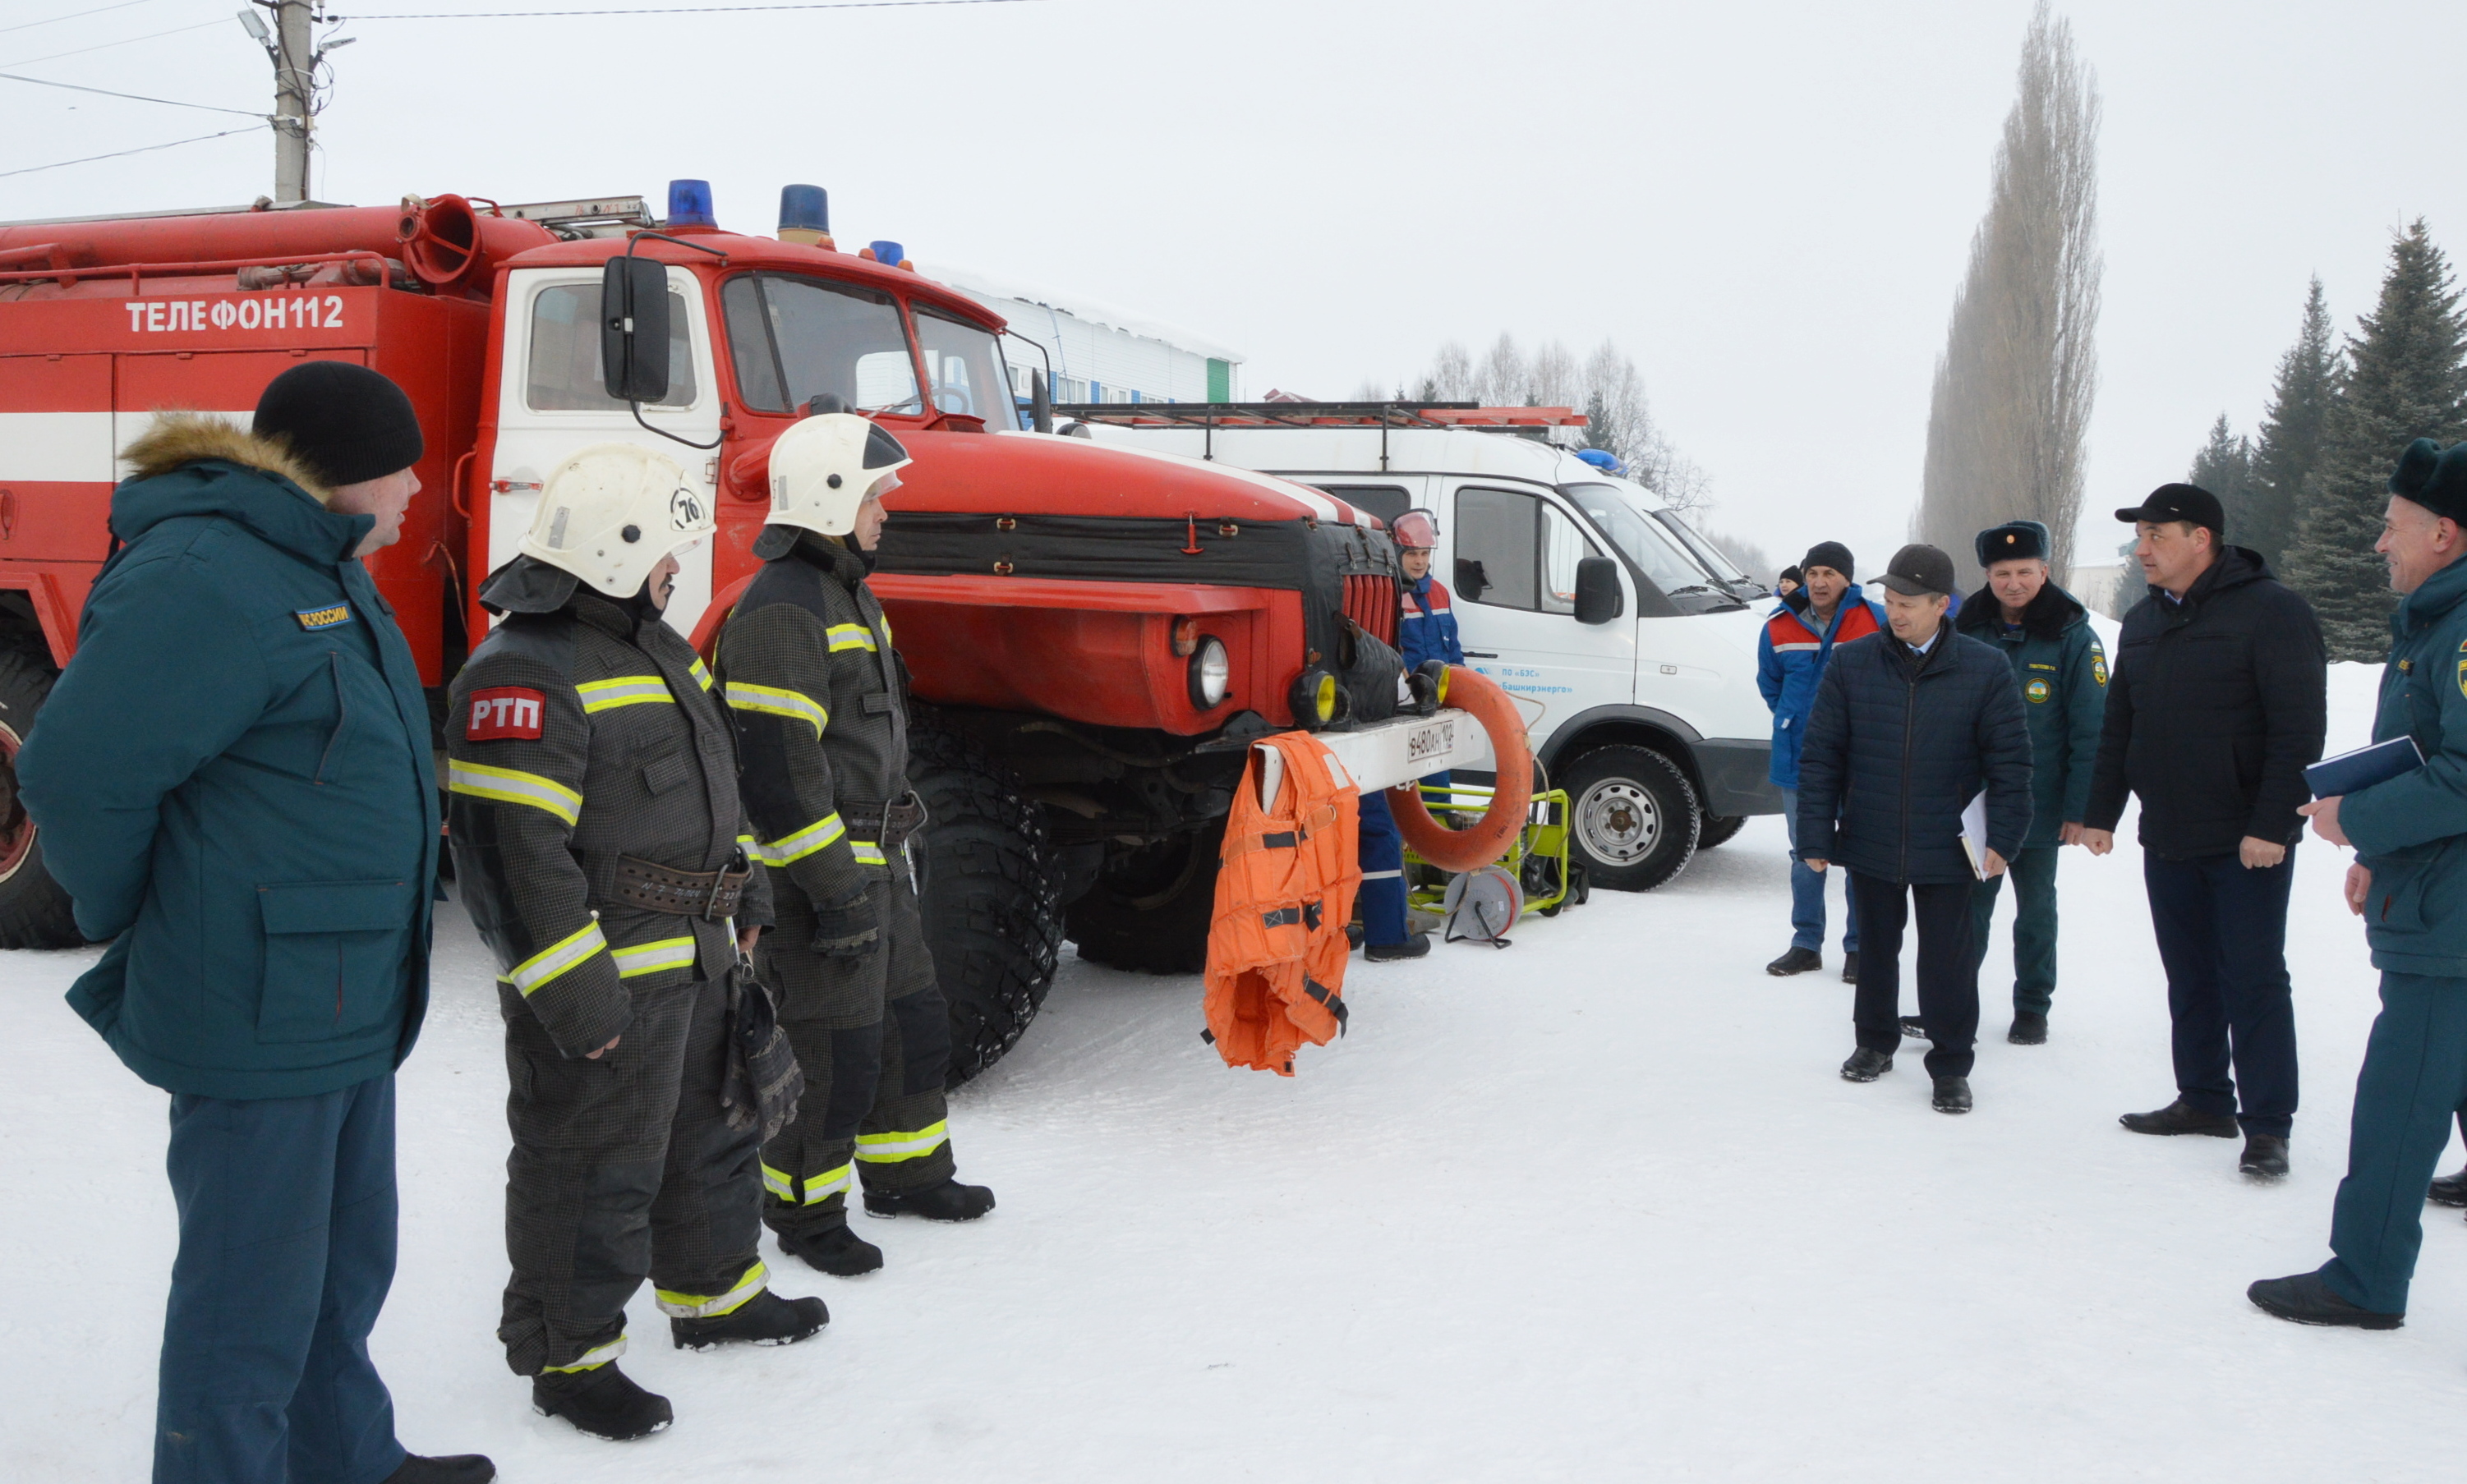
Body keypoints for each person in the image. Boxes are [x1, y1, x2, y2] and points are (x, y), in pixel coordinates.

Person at [17, 365, 491, 1483]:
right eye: (404, 461)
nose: (422, 481)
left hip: (338, 993)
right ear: (344, 471)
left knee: (336, 1269)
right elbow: (77, 774)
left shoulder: (319, 563)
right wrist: (135, 905)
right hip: (256, 1002)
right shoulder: (205, 575)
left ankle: (344, 1457)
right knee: (247, 1301)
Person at [447, 443, 825, 1442]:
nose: (675, 570)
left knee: (715, 1133)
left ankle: (715, 1293)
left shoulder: (656, 646)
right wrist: (579, 1002)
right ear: (618, 550)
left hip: (699, 958)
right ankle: (569, 1358)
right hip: (608, 983)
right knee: (591, 1164)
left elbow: (718, 782)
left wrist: (748, 896)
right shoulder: (522, 671)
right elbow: (508, 855)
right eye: (666, 551)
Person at [717, 412, 996, 1281]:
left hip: (879, 866)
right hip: (821, 882)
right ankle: (805, 1212)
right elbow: (778, 776)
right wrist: (833, 888)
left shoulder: (845, 592)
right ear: (832, 498)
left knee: (909, 1025)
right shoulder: (781, 608)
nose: (887, 508)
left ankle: (909, 1173)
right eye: (876, 493)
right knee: (828, 1046)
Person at [2250, 439, 2467, 1328]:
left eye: (2394, 527)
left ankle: (2366, 1278)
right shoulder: (2434, 617)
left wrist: (2356, 820)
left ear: (2446, 533)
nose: (2380, 543)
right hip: (2435, 890)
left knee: (2399, 1097)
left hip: (2450, 922)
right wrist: (2382, 853)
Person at [2082, 483, 2327, 1178]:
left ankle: (2267, 1124)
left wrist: (2272, 823)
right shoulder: (2144, 619)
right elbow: (2119, 725)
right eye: (2140, 536)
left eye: (2157, 535)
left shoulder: (2272, 611)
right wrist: (2102, 811)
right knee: (2188, 976)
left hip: (2247, 840)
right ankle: (2203, 1098)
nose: (2142, 548)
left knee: (2250, 978)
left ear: (2202, 539)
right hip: (2169, 833)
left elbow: (2298, 731)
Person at [1796, 543, 2032, 1114]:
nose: (1894, 612)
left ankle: (1950, 1064)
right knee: (1876, 948)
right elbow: (1821, 754)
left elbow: (2011, 761)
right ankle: (1872, 1043)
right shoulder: (1852, 662)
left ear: (1941, 605)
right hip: (1872, 832)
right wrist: (1813, 834)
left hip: (1947, 842)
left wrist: (2003, 836)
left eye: (1905, 602)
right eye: (1888, 600)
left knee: (1947, 958)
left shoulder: (1983, 667)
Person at [1941, 521, 2107, 1046]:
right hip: (1977, 803)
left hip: (2043, 802)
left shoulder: (2074, 635)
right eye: (2001, 573)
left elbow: (2091, 728)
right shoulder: (1966, 630)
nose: (2013, 583)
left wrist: (2081, 809)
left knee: (2036, 910)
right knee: (1970, 910)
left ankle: (2032, 1006)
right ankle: (1953, 1002)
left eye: (2025, 572)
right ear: (1987, 576)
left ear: (2046, 572)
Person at [1757, 541, 1885, 981]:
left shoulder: (1874, 620)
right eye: (1812, 573)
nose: (1818, 582)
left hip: (1860, 761)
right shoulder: (1778, 625)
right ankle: (1806, 944)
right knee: (1804, 855)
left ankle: (1859, 948)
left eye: (1829, 573)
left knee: (1861, 856)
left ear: (1847, 579)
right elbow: (1770, 685)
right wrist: (1795, 721)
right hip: (1800, 761)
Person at [1358, 506, 1462, 961]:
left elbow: (1452, 648)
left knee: (1437, 794)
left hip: (1431, 710)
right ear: (1395, 552)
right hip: (1397, 713)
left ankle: (1432, 874)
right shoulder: (1384, 596)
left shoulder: (1437, 593)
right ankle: (1387, 920)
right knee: (1387, 819)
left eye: (1425, 553)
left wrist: (1460, 688)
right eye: (1412, 553)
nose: (1419, 561)